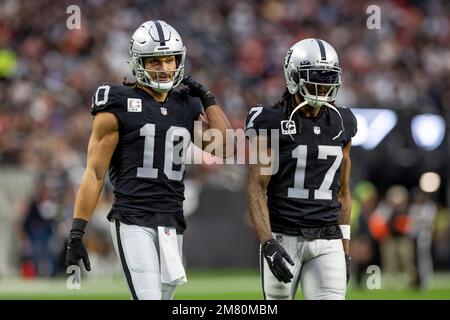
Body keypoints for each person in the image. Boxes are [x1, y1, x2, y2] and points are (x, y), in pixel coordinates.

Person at [65, 20, 232, 300]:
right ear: (138, 62)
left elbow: (225, 147)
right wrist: (76, 231)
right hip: (133, 219)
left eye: (170, 60)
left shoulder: (186, 104)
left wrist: (207, 96)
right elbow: (95, 173)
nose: (165, 68)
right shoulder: (116, 101)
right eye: (155, 61)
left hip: (172, 221)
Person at [246, 39, 357, 300]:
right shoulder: (271, 120)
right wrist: (268, 242)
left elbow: (343, 194)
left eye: (329, 78)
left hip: (328, 238)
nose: (324, 86)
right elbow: (256, 187)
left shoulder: (343, 122)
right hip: (284, 237)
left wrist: (345, 250)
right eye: (316, 78)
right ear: (293, 76)